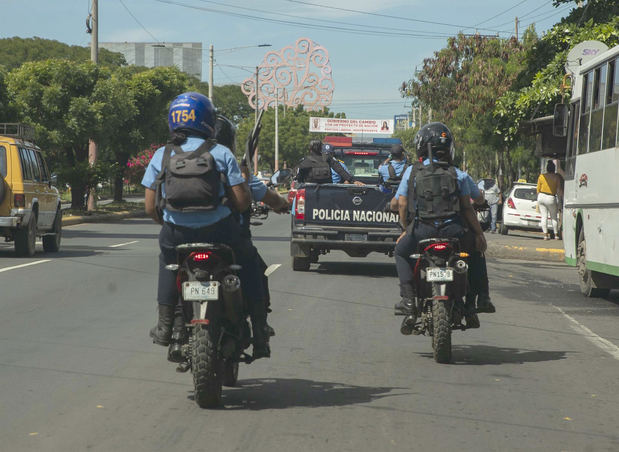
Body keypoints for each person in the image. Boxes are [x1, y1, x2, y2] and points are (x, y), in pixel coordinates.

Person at [142, 92, 270, 359]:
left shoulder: (162, 155)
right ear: (208, 121)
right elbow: (242, 200)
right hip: (220, 231)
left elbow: (150, 207)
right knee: (248, 262)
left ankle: (166, 327)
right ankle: (259, 330)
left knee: (168, 263)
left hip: (175, 234)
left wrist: (168, 222)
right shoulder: (221, 152)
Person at [393, 122, 487, 327]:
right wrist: (479, 234)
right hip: (454, 231)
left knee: (400, 252)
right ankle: (475, 302)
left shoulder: (411, 172)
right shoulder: (458, 174)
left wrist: (406, 229)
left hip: (421, 231)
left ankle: (408, 300)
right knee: (477, 252)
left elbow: (401, 203)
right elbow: (469, 207)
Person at [296, 140, 363, 185]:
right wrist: (353, 181)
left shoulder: (306, 160)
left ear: (310, 149)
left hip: (309, 190)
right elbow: (340, 170)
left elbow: (300, 176)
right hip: (327, 189)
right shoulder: (327, 158)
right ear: (321, 148)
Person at [536, 160, 561, 240]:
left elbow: (538, 189)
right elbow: (558, 189)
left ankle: (545, 235)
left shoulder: (541, 176)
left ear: (547, 168)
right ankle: (556, 234)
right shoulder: (556, 177)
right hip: (551, 197)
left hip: (541, 196)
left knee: (544, 216)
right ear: (554, 169)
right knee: (554, 217)